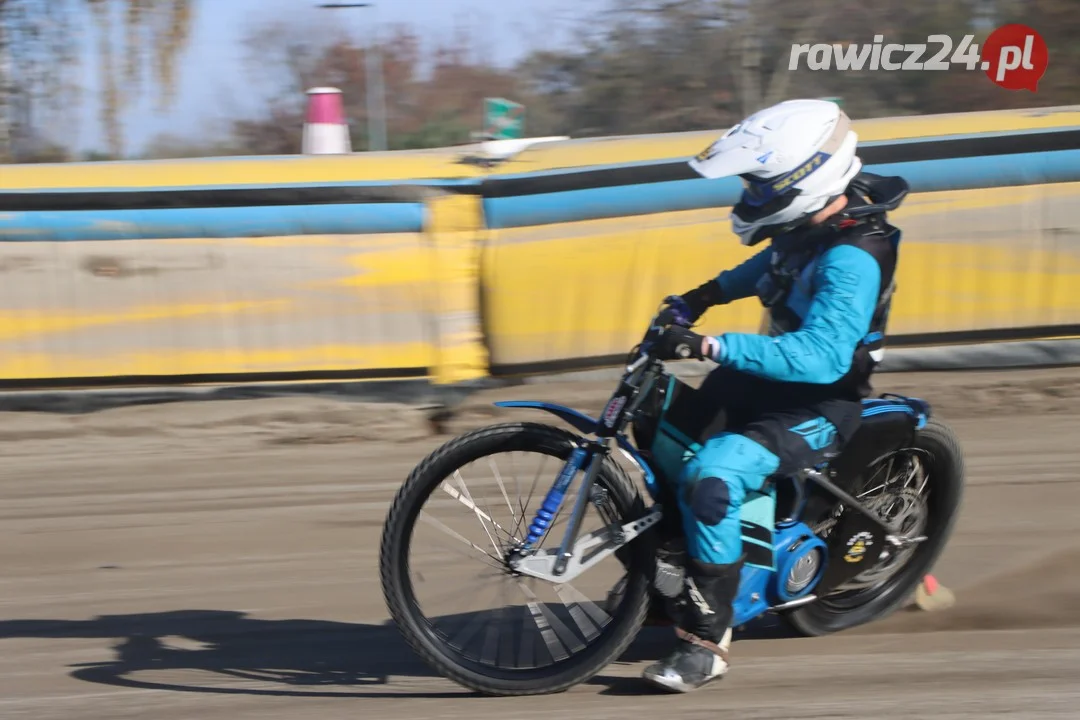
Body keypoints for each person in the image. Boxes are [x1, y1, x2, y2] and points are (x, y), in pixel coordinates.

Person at [639, 98, 909, 693]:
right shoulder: (808, 226)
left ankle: (708, 638)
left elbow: (821, 358)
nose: (749, 197)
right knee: (653, 421)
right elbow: (770, 267)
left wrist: (713, 345)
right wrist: (702, 295)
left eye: (758, 187)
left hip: (818, 403)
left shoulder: (852, 258)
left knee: (711, 476)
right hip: (765, 378)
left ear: (804, 180)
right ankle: (672, 572)